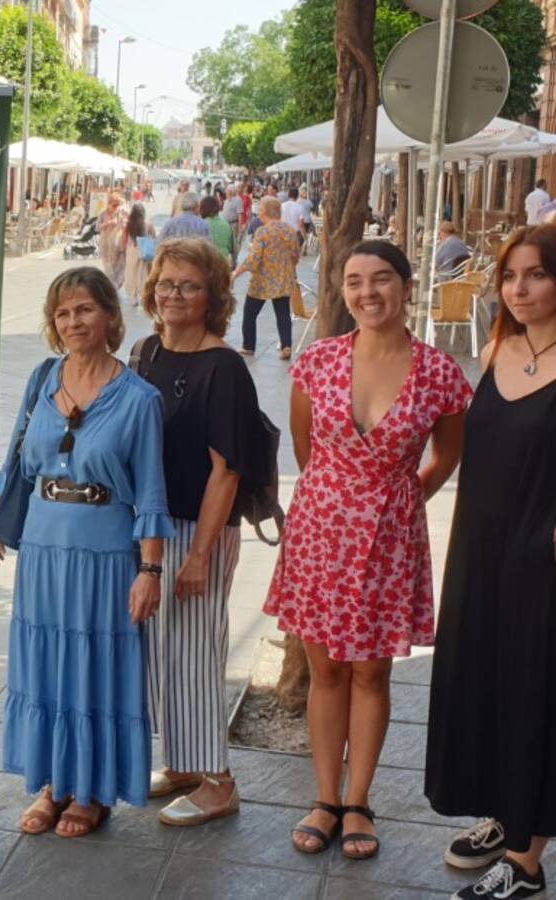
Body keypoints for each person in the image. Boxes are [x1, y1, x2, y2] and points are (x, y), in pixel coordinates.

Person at [264, 240, 470, 861]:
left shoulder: (440, 373)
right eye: (354, 282)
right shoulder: (318, 361)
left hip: (388, 539)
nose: (368, 293)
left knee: (372, 674)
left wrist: (402, 498)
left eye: (382, 279)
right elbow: (305, 450)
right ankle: (325, 799)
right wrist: (339, 499)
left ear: (407, 287)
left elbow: (448, 456)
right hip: (321, 532)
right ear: (342, 290)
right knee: (326, 670)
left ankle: (359, 801)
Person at [0, 266, 173, 839]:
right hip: (44, 549)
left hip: (104, 552)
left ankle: (93, 791)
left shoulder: (139, 398)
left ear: (110, 317)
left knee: (96, 668)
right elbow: (18, 459)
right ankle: (52, 784)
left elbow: (150, 492)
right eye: (63, 312)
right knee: (48, 667)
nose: (73, 321)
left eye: (85, 310)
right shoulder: (42, 378)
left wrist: (149, 569)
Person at [426, 225, 556, 900]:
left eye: (536, 274)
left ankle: (527, 862)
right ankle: (507, 816)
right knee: (489, 680)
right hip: (481, 547)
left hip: (544, 553)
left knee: (535, 690)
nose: (520, 288)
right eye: (510, 276)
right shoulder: (495, 347)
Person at [132, 238, 265, 826]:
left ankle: (220, 781)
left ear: (212, 295)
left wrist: (199, 556)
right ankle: (185, 763)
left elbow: (227, 469)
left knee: (195, 654)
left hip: (198, 530)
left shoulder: (224, 367)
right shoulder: (144, 353)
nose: (174, 294)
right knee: (161, 654)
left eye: (188, 285)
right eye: (165, 282)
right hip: (151, 528)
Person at [233, 197, 301, 360]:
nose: (259, 214)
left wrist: (236, 273)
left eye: (261, 210)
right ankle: (286, 346)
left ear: (265, 212)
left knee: (250, 313)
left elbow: (253, 259)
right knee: (283, 314)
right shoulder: (289, 231)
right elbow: (295, 255)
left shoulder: (263, 232)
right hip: (283, 279)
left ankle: (249, 346)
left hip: (262, 281)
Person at [122, 203, 156, 305]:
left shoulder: (128, 224)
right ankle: (143, 294)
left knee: (130, 273)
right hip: (143, 249)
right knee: (142, 273)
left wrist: (125, 250)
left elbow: (124, 239)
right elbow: (153, 237)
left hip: (131, 249)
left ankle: (133, 298)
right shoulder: (148, 224)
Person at [97, 193, 127, 288]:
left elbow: (130, 221)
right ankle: (112, 286)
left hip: (118, 243)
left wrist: (125, 224)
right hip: (105, 243)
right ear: (108, 204)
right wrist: (108, 223)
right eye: (114, 205)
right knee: (108, 265)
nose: (116, 207)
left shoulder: (122, 212)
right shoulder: (103, 213)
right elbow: (97, 227)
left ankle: (116, 285)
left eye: (118, 205)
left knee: (120, 265)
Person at [200, 196, 235, 267]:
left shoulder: (201, 224)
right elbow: (233, 248)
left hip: (206, 262)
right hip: (223, 261)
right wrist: (234, 264)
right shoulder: (226, 224)